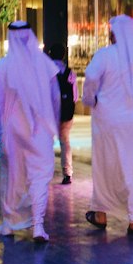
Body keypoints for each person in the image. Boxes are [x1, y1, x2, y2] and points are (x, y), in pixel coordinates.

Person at [82, 14, 133, 237]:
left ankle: (101, 214)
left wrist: (90, 99)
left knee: (106, 167)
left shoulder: (105, 55)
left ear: (114, 34)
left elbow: (90, 76)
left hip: (108, 123)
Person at [0, 22, 60, 242]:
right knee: (39, 177)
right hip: (39, 132)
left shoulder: (4, 66)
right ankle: (37, 226)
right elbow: (55, 99)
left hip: (13, 132)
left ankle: (9, 223)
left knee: (12, 179)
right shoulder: (45, 64)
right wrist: (53, 127)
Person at [46, 43, 78, 183]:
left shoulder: (46, 70)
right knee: (65, 142)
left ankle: (47, 172)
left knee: (47, 142)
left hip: (50, 114)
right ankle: (67, 173)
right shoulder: (70, 72)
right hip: (66, 114)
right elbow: (75, 96)